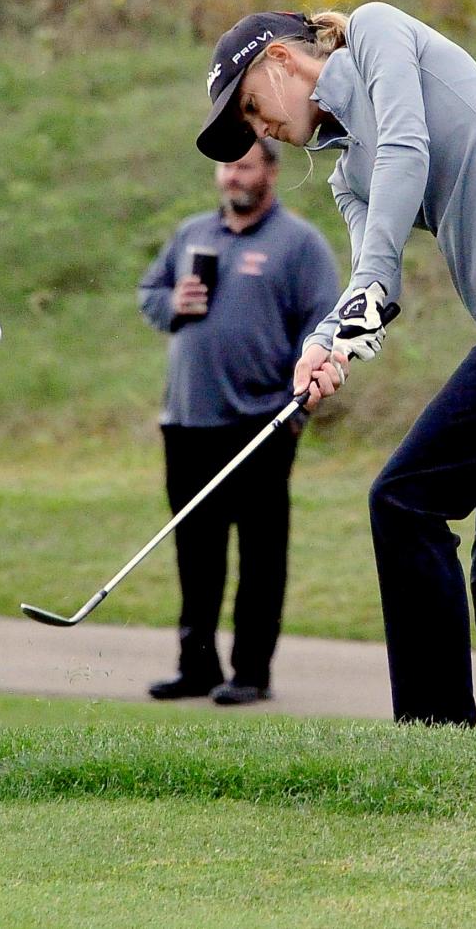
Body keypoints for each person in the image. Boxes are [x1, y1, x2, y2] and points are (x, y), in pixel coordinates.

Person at [195, 3, 476, 727]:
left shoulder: (376, 34)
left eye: (250, 106)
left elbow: (407, 145)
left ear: (279, 59)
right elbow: (378, 278)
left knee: (404, 500)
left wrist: (368, 287)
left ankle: (435, 738)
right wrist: (326, 341)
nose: (258, 129)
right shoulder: (345, 174)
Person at [138, 138, 339, 706]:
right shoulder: (192, 234)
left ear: (271, 171)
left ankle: (252, 671)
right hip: (188, 420)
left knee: (260, 552)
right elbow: (149, 294)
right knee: (195, 551)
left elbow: (322, 324)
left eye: (245, 164)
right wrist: (175, 301)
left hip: (261, 424)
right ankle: (196, 666)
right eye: (227, 166)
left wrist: (297, 406)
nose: (233, 176)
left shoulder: (299, 245)